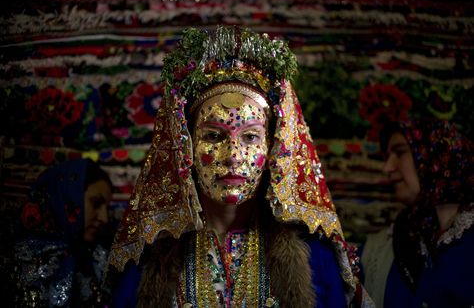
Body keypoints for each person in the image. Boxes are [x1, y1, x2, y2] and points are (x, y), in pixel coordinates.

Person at [108, 26, 374, 308]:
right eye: (213, 136)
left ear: (273, 147)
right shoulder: (146, 260)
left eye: (250, 137)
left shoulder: (315, 259)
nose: (233, 156)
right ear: (185, 146)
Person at [360, 118, 474, 308]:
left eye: (400, 152)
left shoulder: (467, 239)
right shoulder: (403, 235)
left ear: (437, 153)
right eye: (387, 157)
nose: (388, 167)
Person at [9, 158, 114, 307]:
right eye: (96, 203)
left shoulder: (96, 258)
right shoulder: (17, 259)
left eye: (107, 209)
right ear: (68, 197)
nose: (104, 218)